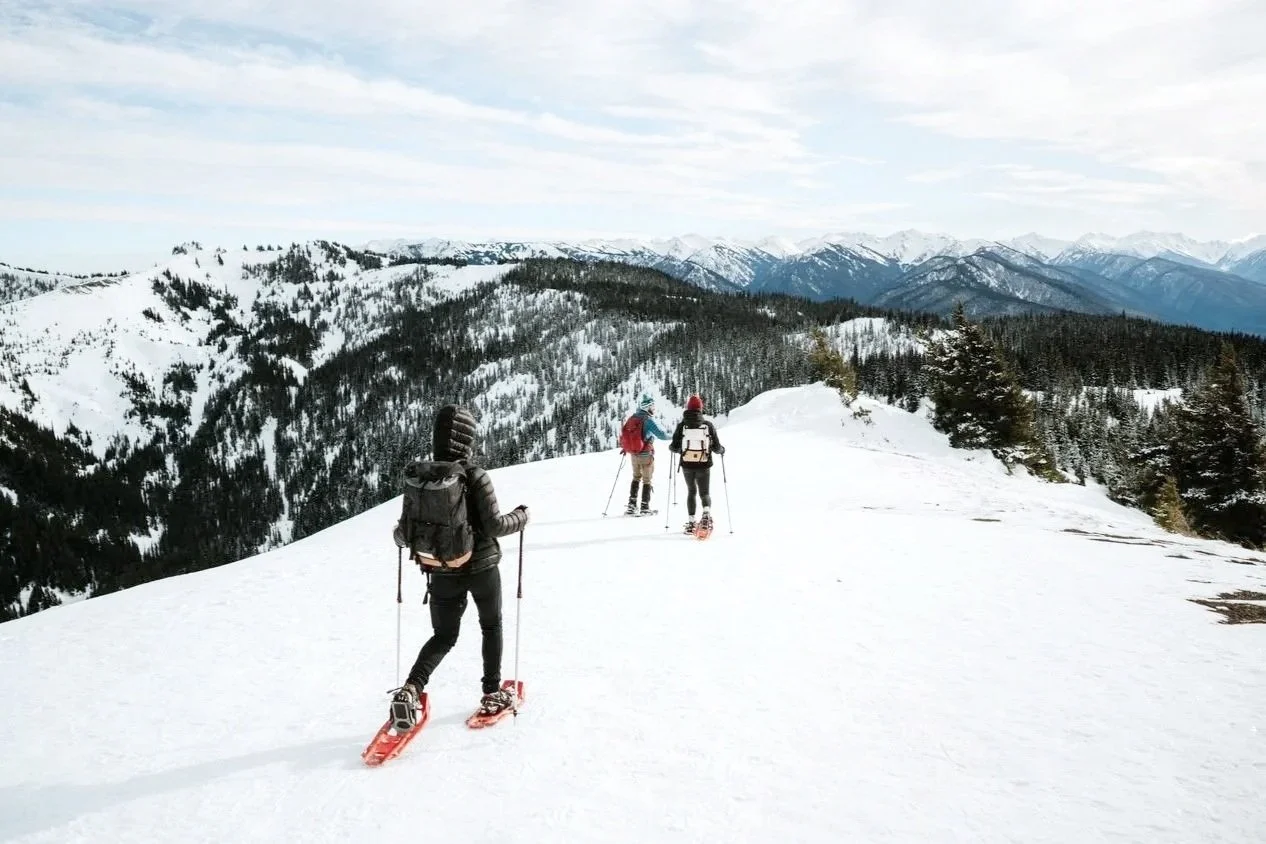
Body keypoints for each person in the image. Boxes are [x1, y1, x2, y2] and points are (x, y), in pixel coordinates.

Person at [389, 404, 529, 730]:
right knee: (491, 625)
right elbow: (495, 526)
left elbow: (401, 533)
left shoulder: (422, 476)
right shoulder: (475, 475)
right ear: (467, 438)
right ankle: (492, 692)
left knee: (443, 635)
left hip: (439, 570)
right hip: (481, 568)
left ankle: (412, 688)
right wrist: (521, 517)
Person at [669, 394, 724, 534]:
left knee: (691, 492)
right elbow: (716, 447)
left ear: (688, 409)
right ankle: (706, 515)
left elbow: (674, 447)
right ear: (700, 408)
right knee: (704, 492)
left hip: (687, 464)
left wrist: (677, 448)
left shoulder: (682, 426)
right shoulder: (707, 425)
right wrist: (722, 450)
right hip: (704, 464)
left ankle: (691, 523)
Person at [620, 394, 670, 515]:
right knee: (647, 480)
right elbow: (662, 435)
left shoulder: (632, 418)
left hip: (633, 454)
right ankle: (644, 507)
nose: (654, 409)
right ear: (647, 408)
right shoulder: (647, 420)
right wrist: (674, 436)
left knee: (636, 477)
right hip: (646, 454)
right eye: (652, 406)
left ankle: (631, 506)